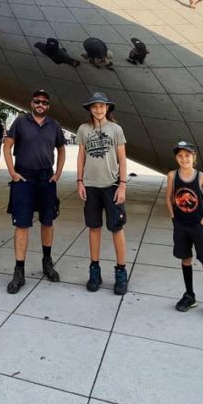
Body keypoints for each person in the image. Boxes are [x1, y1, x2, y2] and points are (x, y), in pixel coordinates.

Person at [4, 89, 66, 294]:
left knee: (47, 221)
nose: (41, 105)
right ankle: (19, 271)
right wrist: (12, 172)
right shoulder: (21, 122)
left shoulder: (54, 125)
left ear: (48, 106)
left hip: (46, 177)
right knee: (22, 224)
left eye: (44, 102)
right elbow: (7, 145)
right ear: (31, 103)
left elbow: (62, 148)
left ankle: (47, 262)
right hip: (24, 177)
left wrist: (57, 173)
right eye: (37, 101)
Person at [76, 92, 130, 295]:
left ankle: (121, 271)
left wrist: (123, 184)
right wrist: (79, 181)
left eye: (102, 106)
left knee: (117, 228)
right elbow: (81, 156)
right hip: (90, 186)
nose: (98, 110)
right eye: (94, 106)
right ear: (90, 109)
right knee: (94, 228)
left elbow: (123, 158)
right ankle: (95, 271)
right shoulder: (83, 129)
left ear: (108, 108)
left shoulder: (116, 129)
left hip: (112, 185)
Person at [167, 140, 203, 321]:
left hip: (199, 227)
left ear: (194, 157)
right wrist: (174, 218)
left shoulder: (201, 177)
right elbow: (169, 199)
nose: (184, 159)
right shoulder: (172, 176)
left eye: (187, 155)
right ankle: (190, 295)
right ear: (176, 158)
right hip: (181, 226)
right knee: (186, 259)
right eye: (180, 156)